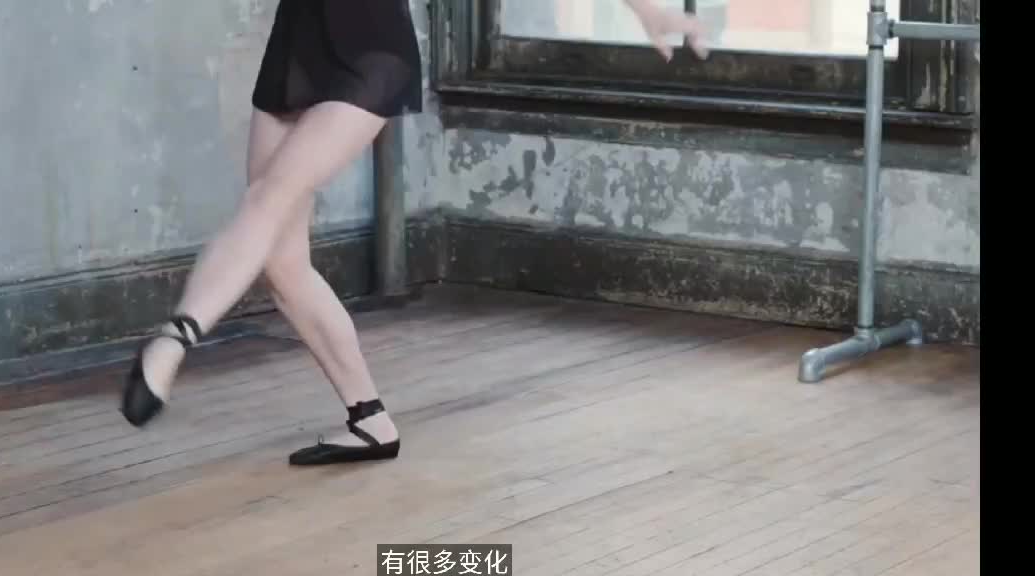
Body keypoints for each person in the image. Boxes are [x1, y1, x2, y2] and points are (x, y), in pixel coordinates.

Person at [119, 0, 709, 466]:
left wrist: (646, 9)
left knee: (267, 200)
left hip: (368, 55)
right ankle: (369, 419)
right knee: (282, 262)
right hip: (294, 47)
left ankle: (175, 339)